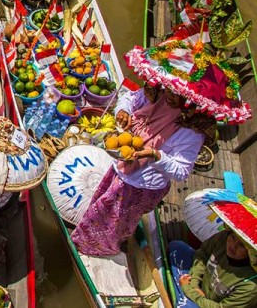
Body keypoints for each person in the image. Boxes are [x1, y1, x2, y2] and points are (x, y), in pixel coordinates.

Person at [71, 83, 215, 256]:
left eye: (178, 94)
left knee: (114, 223)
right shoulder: (156, 95)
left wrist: (155, 156)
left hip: (141, 187)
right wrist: (122, 112)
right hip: (121, 169)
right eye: (170, 88)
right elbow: (129, 98)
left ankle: (95, 247)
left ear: (191, 101)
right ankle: (85, 234)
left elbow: (181, 171)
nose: (169, 94)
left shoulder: (191, 132)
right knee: (101, 209)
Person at [169, 230, 257, 308]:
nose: (233, 246)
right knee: (177, 246)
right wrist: (194, 283)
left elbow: (220, 307)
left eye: (242, 245)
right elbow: (203, 254)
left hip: (210, 304)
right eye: (233, 237)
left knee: (185, 305)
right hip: (198, 289)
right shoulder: (223, 237)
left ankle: (180, 292)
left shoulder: (251, 285)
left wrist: (188, 290)